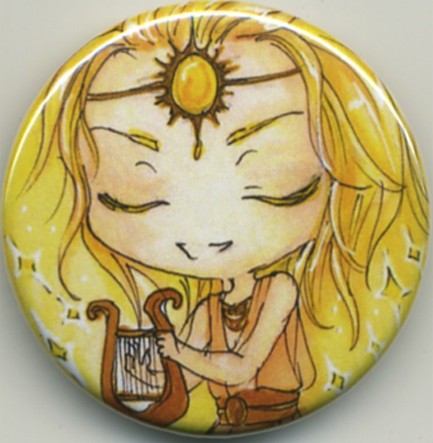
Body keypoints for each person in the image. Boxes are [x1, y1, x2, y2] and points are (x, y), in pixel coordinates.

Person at [21, 1, 428, 434]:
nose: (204, 238)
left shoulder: (279, 289)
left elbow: (239, 367)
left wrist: (176, 351)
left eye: (275, 187)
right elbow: (184, 385)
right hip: (218, 425)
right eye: (132, 199)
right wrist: (133, 363)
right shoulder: (208, 311)